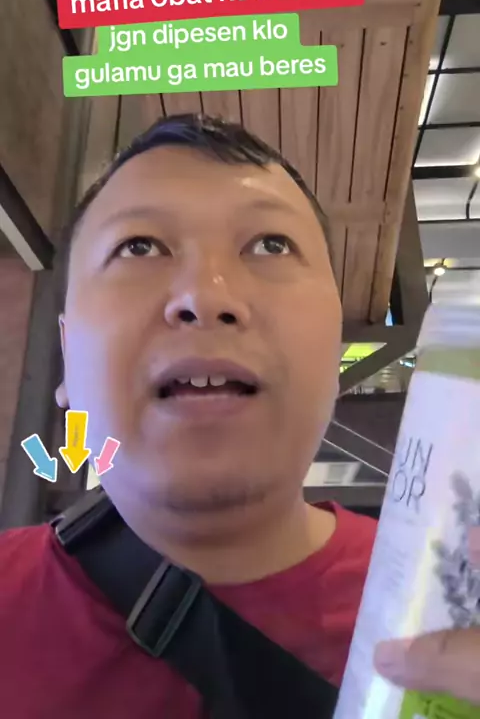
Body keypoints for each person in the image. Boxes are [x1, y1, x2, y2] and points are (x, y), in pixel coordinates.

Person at [0, 113, 478, 717]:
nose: (207, 296)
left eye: (271, 244)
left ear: (334, 350)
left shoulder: (454, 610)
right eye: (139, 246)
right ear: (68, 354)